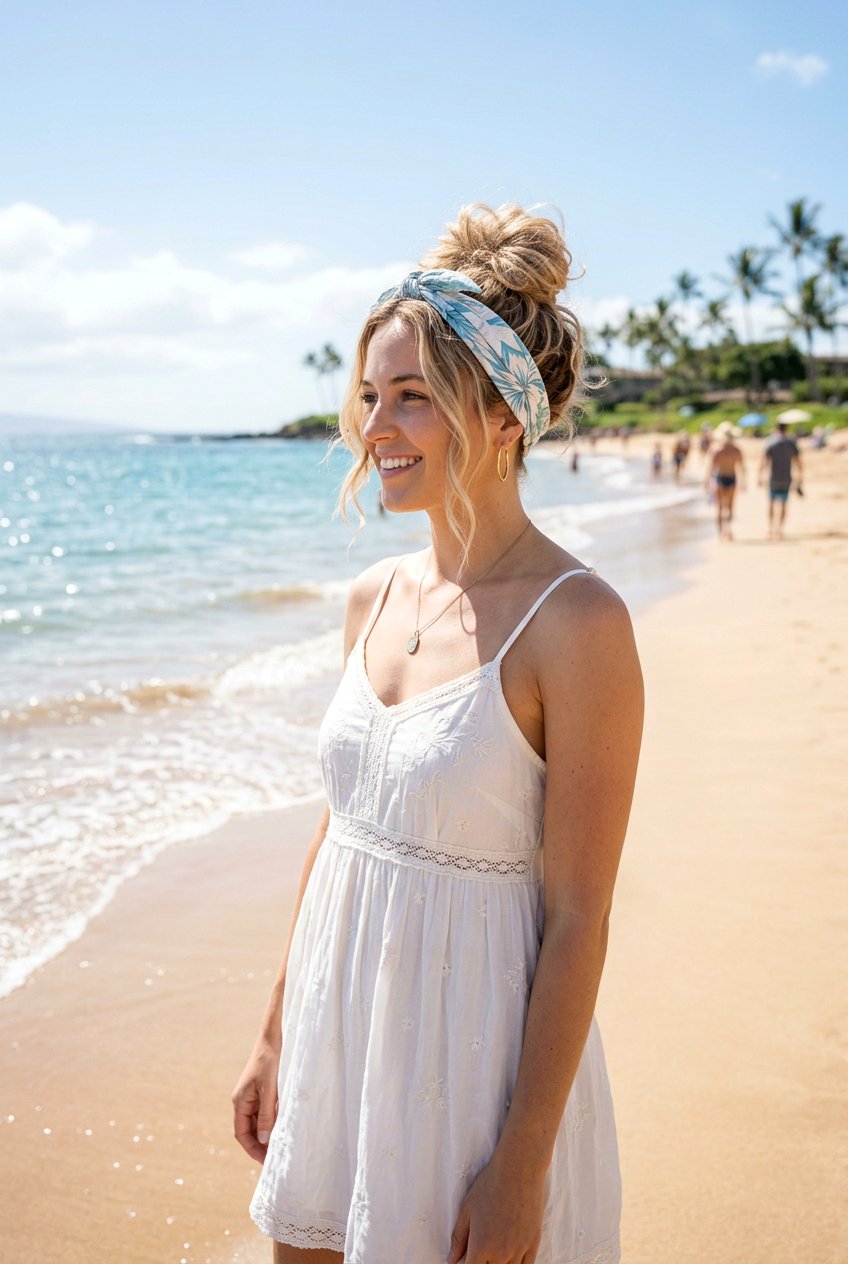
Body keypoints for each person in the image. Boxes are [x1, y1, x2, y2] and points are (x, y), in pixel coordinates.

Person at [232, 204, 644, 1264]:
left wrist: (521, 1159)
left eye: (410, 397)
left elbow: (578, 917)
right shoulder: (370, 594)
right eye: (369, 394)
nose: (373, 427)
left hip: (473, 1074)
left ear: (503, 413)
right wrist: (278, 1031)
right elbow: (339, 831)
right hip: (339, 1037)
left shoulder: (576, 622)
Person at [759, 421, 803, 540]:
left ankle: (770, 529)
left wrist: (760, 476)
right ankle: (780, 530)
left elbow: (764, 461)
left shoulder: (771, 442)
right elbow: (798, 462)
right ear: (786, 429)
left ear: (776, 429)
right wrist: (800, 478)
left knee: (771, 504)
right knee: (784, 504)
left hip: (773, 478)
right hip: (786, 478)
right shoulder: (791, 443)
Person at [706, 422, 746, 541]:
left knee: (719, 508)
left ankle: (721, 533)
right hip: (732, 478)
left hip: (719, 479)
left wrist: (707, 483)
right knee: (730, 507)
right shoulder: (736, 450)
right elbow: (742, 467)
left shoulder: (717, 450)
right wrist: (744, 481)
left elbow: (711, 469)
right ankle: (728, 531)